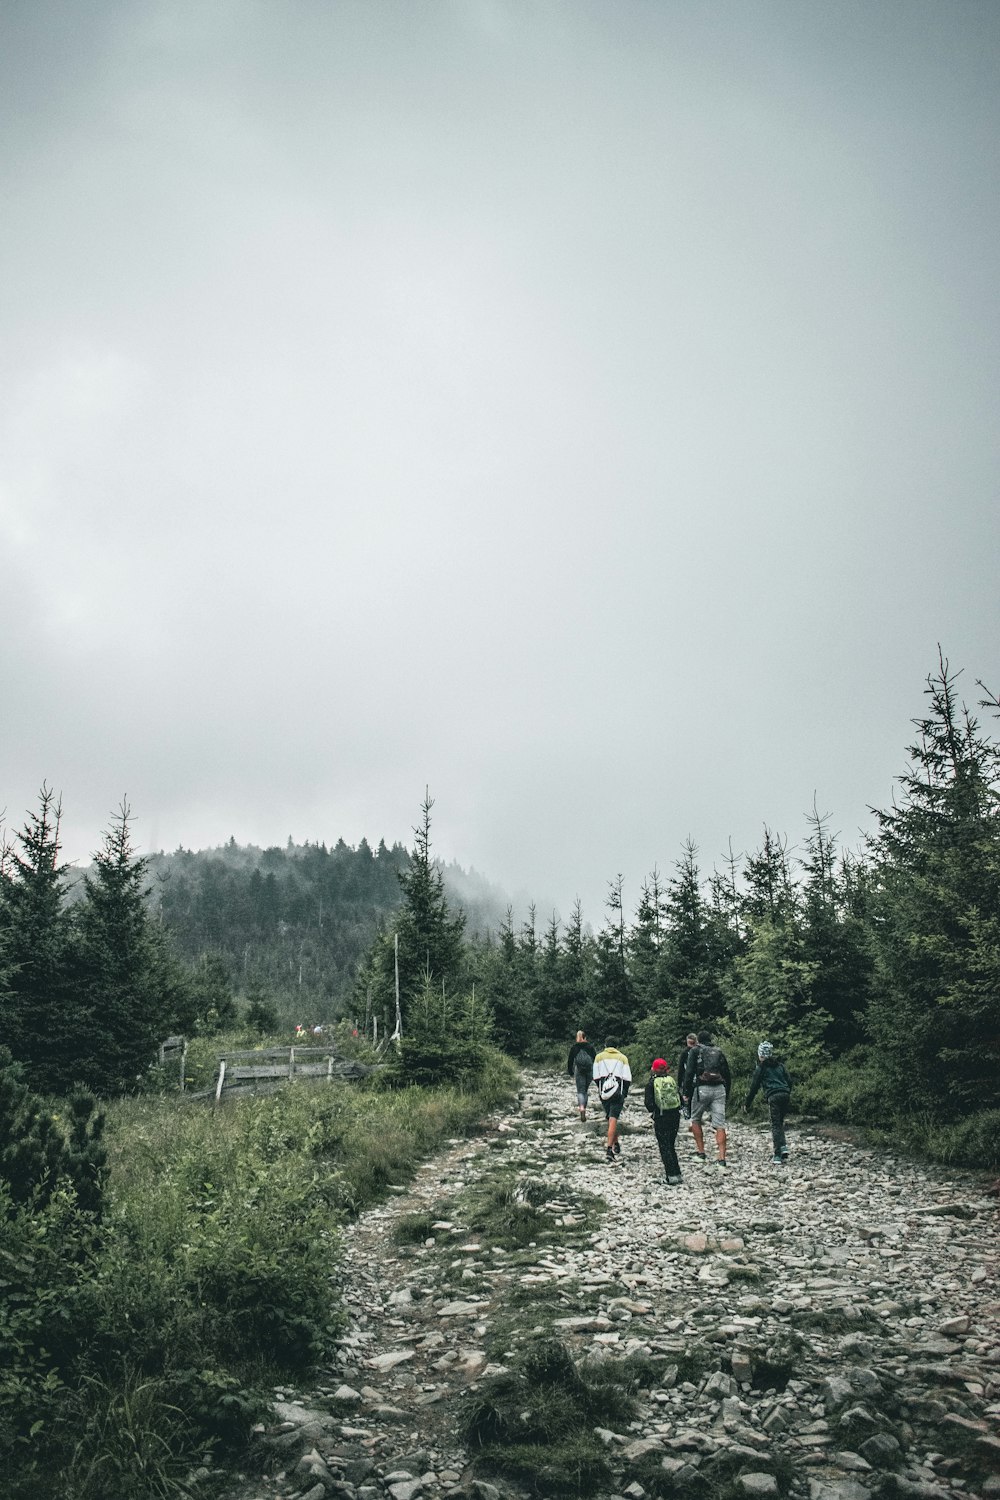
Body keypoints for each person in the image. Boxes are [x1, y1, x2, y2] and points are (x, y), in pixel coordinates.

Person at [683, 1030, 731, 1170]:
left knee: (696, 1119)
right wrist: (726, 1092)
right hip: (719, 1089)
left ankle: (701, 1153)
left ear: (698, 1040)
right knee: (720, 1124)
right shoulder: (718, 1051)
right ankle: (721, 1159)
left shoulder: (695, 1051)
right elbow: (727, 1074)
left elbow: (689, 1072)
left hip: (702, 1089)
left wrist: (686, 1092)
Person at [744, 1040, 792, 1163]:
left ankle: (777, 1155)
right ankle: (783, 1147)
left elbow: (754, 1087)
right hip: (785, 1094)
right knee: (780, 1122)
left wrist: (747, 1103)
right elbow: (789, 1080)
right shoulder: (780, 1065)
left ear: (761, 1055)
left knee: (775, 1124)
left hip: (773, 1096)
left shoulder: (762, 1067)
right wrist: (787, 1092)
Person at [592, 1037, 632, 1165]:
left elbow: (596, 1077)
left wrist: (602, 1088)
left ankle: (615, 1143)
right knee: (613, 1118)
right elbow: (627, 1078)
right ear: (617, 1046)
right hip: (617, 1092)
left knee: (610, 1117)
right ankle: (609, 1149)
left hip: (604, 1091)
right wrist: (624, 1093)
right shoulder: (623, 1058)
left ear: (605, 1045)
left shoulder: (599, 1057)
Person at [644, 1058, 683, 1184]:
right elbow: (681, 1100)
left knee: (664, 1146)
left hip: (661, 1117)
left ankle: (671, 1176)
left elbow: (649, 1105)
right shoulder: (671, 1081)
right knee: (671, 1145)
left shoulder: (652, 1083)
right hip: (675, 1116)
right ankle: (677, 1173)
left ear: (653, 1069)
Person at [567, 1030, 597, 1122]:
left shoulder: (574, 1047)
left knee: (580, 1091)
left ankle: (582, 1109)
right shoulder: (590, 1047)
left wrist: (571, 1072)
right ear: (585, 1037)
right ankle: (585, 1107)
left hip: (579, 1071)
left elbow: (570, 1061)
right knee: (585, 1091)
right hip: (589, 1071)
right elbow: (595, 1059)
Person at [676, 1032, 700, 1120]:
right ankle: (694, 1116)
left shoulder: (685, 1052)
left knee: (689, 1097)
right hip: (696, 1079)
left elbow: (681, 1069)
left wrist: (679, 1083)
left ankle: (690, 1115)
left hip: (689, 1078)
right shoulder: (700, 1051)